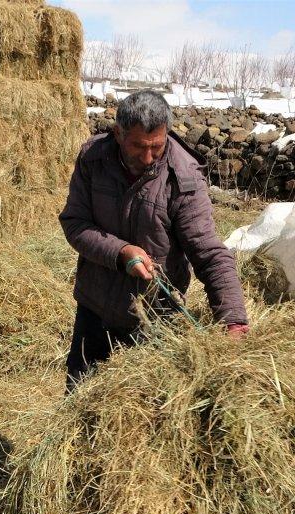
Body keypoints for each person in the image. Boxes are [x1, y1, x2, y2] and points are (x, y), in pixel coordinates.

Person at [59, 89, 249, 392]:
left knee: (141, 412)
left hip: (155, 316)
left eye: (156, 147)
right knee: (80, 395)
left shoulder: (183, 176)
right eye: (137, 146)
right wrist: (121, 252)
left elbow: (209, 253)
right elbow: (75, 223)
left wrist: (234, 321)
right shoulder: (94, 159)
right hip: (95, 305)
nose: (147, 158)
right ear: (119, 133)